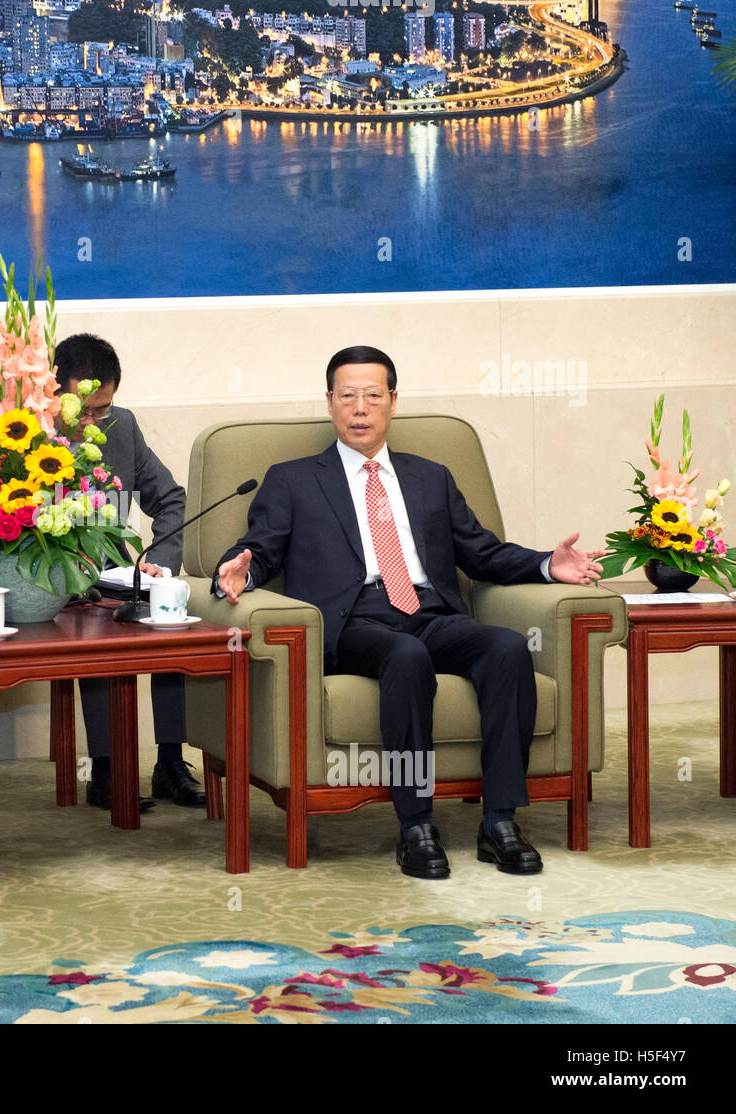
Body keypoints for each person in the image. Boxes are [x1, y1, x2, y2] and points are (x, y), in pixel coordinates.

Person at [215, 346, 605, 879]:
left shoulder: (430, 477)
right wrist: (241, 572)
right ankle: (416, 824)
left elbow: (482, 553)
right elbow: (260, 549)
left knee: (507, 647)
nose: (360, 408)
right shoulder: (294, 478)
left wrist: (545, 565)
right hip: (355, 622)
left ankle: (499, 821)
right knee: (406, 655)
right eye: (347, 396)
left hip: (429, 609)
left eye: (372, 396)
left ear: (393, 402)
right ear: (328, 402)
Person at [55, 334, 205, 811]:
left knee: (168, 613)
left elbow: (170, 497)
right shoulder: (20, 434)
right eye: (85, 410)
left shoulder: (122, 426)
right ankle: (105, 771)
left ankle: (169, 763)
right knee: (95, 626)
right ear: (53, 392)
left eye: (104, 408)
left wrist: (160, 558)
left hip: (114, 572)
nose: (96, 421)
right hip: (49, 579)